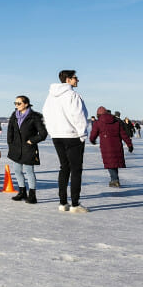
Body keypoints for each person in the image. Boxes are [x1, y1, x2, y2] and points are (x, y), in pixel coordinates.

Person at [41, 69, 89, 213]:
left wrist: (52, 132)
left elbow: (46, 114)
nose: (77, 80)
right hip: (72, 136)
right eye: (75, 78)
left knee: (64, 168)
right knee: (75, 169)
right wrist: (82, 134)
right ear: (68, 80)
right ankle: (75, 204)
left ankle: (63, 202)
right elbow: (78, 115)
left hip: (57, 136)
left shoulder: (50, 97)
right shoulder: (72, 95)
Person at [6, 95, 47, 204]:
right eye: (15, 103)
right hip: (16, 148)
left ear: (26, 104)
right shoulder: (14, 115)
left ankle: (32, 195)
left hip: (28, 148)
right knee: (17, 170)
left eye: (19, 103)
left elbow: (43, 134)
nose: (17, 105)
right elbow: (10, 130)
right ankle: (22, 192)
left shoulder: (34, 117)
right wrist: (10, 143)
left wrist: (32, 141)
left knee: (29, 171)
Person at [90, 106, 134, 187]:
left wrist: (92, 140)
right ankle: (114, 179)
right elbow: (123, 134)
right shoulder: (116, 121)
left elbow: (93, 133)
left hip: (106, 146)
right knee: (114, 163)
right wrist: (129, 145)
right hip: (117, 145)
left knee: (110, 163)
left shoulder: (98, 122)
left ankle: (115, 180)